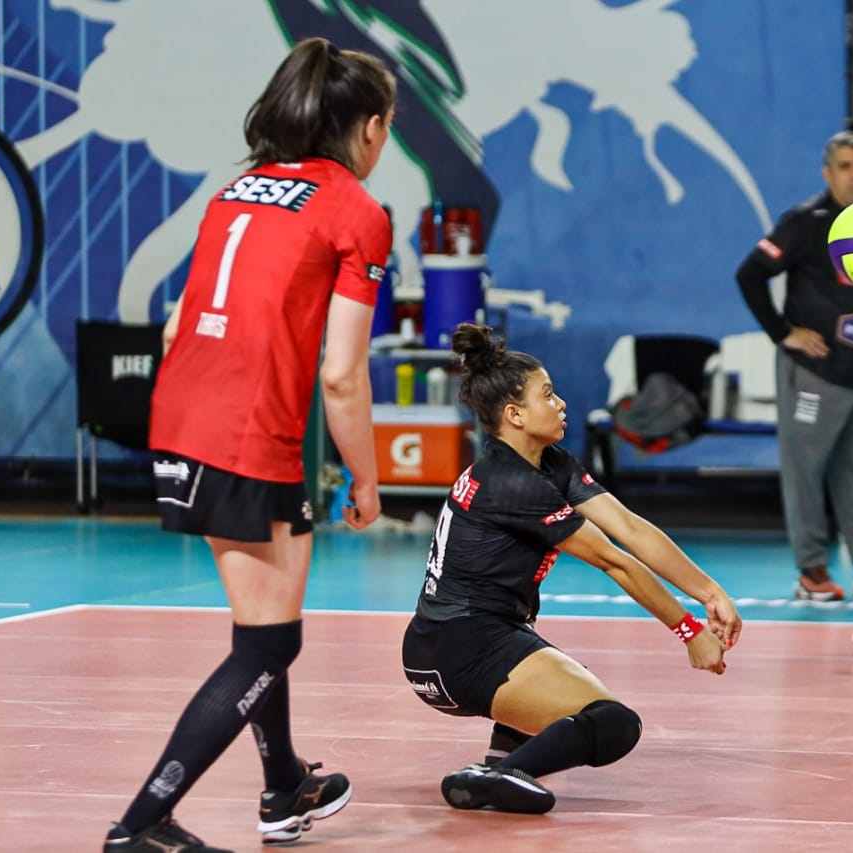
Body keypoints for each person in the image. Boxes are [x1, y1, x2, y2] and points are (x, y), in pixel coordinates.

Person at [103, 38, 396, 853]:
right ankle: (142, 822)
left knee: (260, 627)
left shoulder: (238, 190)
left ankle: (283, 787)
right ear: (369, 129)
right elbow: (342, 374)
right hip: (247, 430)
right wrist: (367, 481)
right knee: (273, 642)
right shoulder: (356, 211)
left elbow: (174, 325)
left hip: (187, 416)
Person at [402, 322, 742, 814]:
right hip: (459, 652)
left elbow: (630, 528)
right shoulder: (510, 483)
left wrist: (711, 592)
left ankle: (502, 757)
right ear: (515, 414)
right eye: (548, 395)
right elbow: (614, 560)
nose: (560, 403)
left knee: (559, 676)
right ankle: (500, 776)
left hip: (470, 640)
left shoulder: (548, 462)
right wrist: (689, 631)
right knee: (613, 724)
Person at [735, 130, 853, 603]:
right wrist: (784, 333)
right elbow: (750, 273)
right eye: (845, 166)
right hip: (814, 373)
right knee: (806, 471)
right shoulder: (805, 221)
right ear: (828, 172)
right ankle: (813, 572)